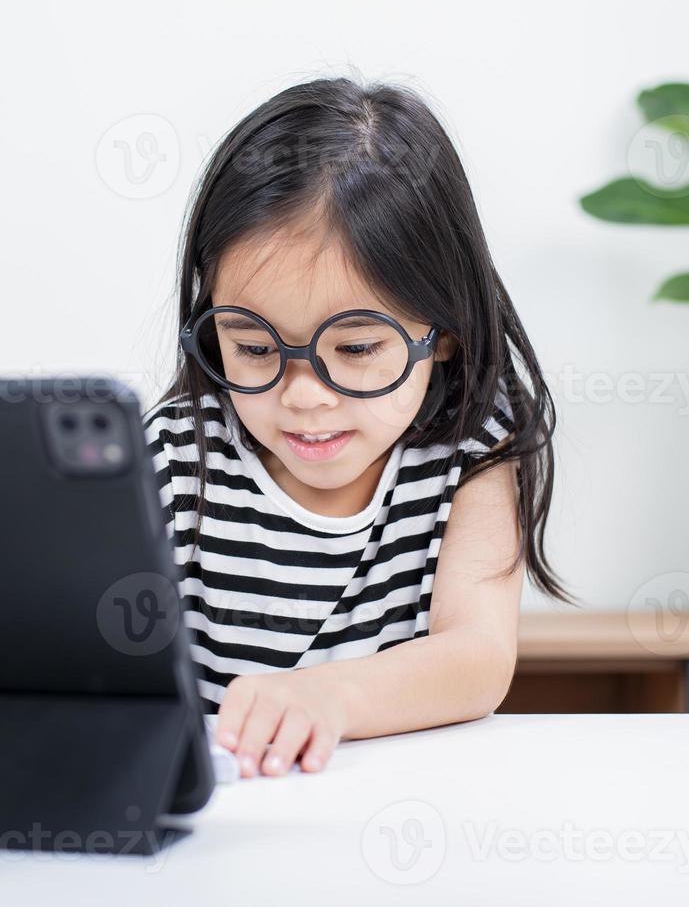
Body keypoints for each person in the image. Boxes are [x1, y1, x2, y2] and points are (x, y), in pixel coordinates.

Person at [144, 76, 570, 778]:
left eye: (358, 349)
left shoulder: (473, 451)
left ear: (445, 333)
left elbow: (478, 658)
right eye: (254, 348)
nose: (305, 395)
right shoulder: (173, 458)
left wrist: (328, 697)